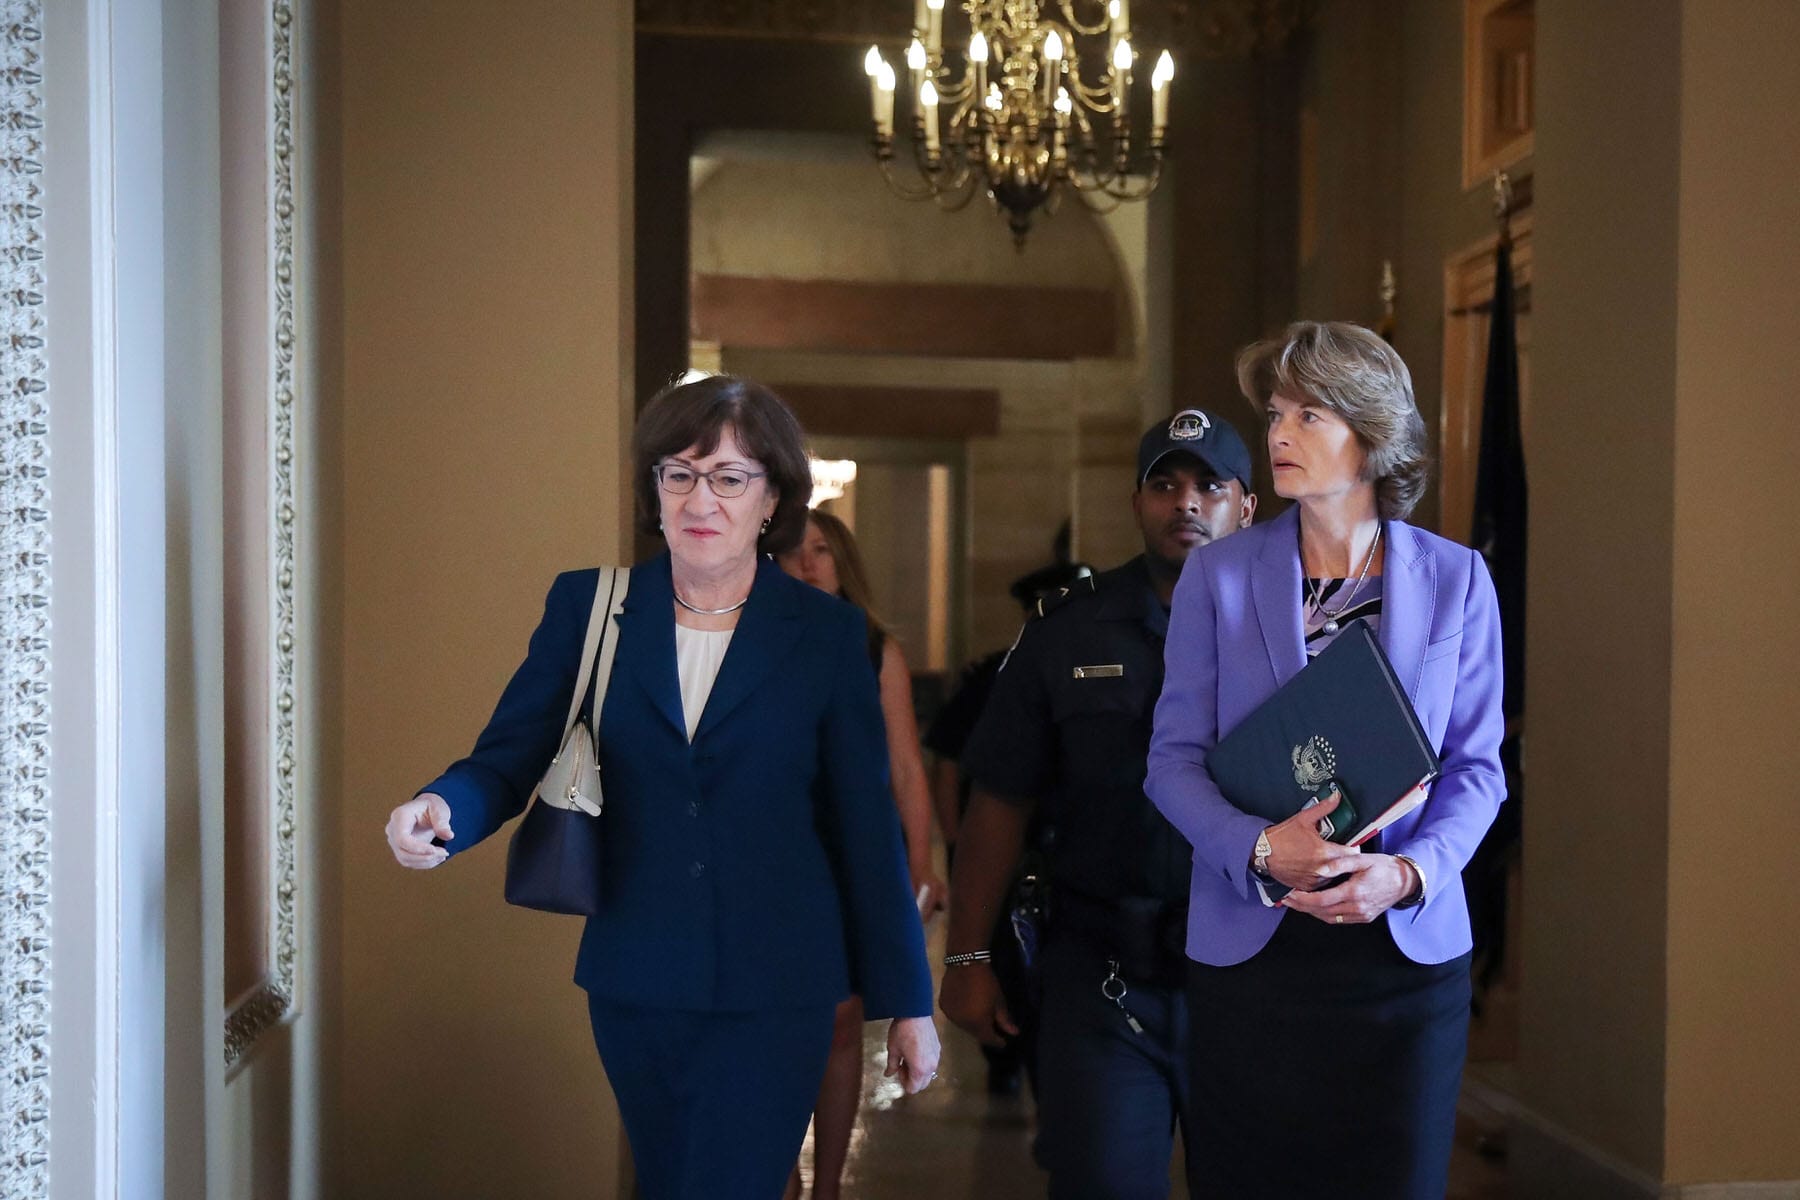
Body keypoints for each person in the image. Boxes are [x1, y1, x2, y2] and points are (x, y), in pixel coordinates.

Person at [383, 376, 940, 1200]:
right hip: (637, 976)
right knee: (674, 1181)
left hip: (778, 984)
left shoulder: (826, 634)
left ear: (772, 498)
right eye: (677, 473)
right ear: (654, 490)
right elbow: (506, 757)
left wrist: (910, 1000)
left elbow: (864, 825)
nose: (699, 497)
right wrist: (442, 810)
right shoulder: (593, 606)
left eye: (728, 477)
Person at [1146, 322, 1506, 1199]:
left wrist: (1410, 875)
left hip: (1404, 963)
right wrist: (1263, 850)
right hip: (1253, 954)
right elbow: (1171, 763)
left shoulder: (1458, 580)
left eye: (1309, 414)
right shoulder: (1217, 579)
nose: (1277, 435)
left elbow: (1478, 769)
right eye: (1275, 412)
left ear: (1373, 435)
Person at [941, 409, 1257, 1199]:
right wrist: (968, 956)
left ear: (1246, 507)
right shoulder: (1066, 634)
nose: (1187, 502)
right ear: (1136, 502)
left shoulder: (1292, 629)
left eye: (1210, 486)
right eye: (1165, 484)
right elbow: (998, 804)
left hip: (1253, 981)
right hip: (1105, 974)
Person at [774, 509, 947, 1200]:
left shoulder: (875, 648)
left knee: (844, 1016)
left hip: (852, 849)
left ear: (844, 561)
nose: (809, 564)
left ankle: (829, 1185)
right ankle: (780, 1174)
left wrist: (922, 862)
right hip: (781, 850)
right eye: (794, 553)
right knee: (782, 1021)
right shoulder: (762, 638)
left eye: (822, 551)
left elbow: (906, 768)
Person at [922, 559, 1092, 1099]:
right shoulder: (994, 676)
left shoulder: (1106, 667)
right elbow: (949, 763)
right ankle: (1005, 1058)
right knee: (1003, 958)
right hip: (1004, 852)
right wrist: (952, 840)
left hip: (1073, 854)